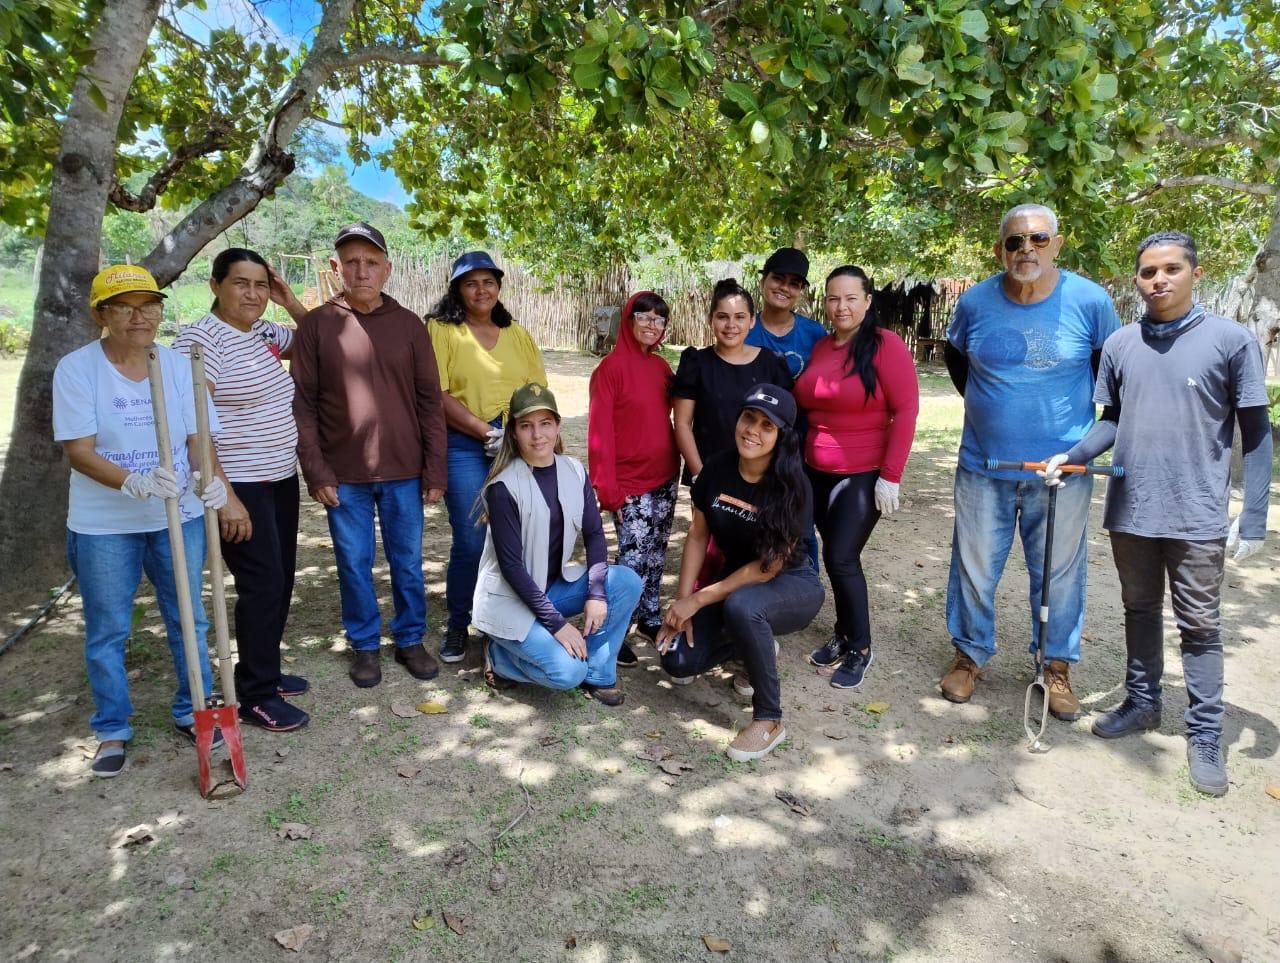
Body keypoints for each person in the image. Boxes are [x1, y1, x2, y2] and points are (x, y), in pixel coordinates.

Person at [1041, 231, 1273, 797]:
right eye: (1148, 272)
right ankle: (1143, 704)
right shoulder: (1121, 344)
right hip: (1132, 508)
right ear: (1138, 279)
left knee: (1200, 625)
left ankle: (1205, 734)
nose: (1159, 280)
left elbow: (1258, 435)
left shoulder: (1231, 340)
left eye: (1171, 269)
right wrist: (1071, 456)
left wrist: (1255, 518)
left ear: (1194, 272)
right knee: (1138, 609)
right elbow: (1112, 420)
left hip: (1196, 514)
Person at [940, 203, 1120, 719]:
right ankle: (969, 656)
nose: (1027, 250)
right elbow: (959, 363)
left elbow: (1111, 380)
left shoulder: (1090, 302)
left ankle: (1055, 667)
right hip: (984, 466)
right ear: (1000, 249)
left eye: (1038, 239)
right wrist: (991, 412)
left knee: (1059, 573)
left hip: (1062, 473)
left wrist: (1079, 450)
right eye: (1015, 241)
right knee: (974, 567)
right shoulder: (974, 302)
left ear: (1057, 244)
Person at [53, 264, 228, 777]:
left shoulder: (178, 366)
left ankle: (191, 708)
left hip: (179, 513)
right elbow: (79, 451)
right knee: (108, 628)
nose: (139, 317)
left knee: (188, 617)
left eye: (149, 305)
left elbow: (200, 439)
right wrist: (131, 481)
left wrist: (207, 479)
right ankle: (112, 727)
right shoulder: (78, 369)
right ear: (100, 315)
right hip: (104, 522)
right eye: (124, 307)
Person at [292, 222, 448, 689]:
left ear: (387, 268)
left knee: (407, 560)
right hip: (344, 475)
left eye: (371, 262)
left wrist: (434, 467)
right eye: (352, 262)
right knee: (354, 563)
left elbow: (429, 400)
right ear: (336, 268)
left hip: (404, 470)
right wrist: (316, 469)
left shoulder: (409, 325)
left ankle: (410, 638)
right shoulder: (319, 325)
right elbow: (303, 404)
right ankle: (363, 645)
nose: (362, 271)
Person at [174, 248, 310, 732]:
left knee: (282, 578)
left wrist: (288, 299)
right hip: (240, 485)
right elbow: (194, 428)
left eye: (260, 285)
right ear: (214, 285)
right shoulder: (198, 340)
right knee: (262, 583)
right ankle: (253, 695)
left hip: (279, 477)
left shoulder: (262, 330)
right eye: (240, 283)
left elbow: (315, 338)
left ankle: (263, 673)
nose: (252, 294)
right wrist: (224, 494)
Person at [658, 385, 824, 761]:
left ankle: (769, 719)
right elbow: (698, 537)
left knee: (744, 608)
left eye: (768, 425)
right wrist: (683, 602)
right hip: (735, 584)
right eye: (749, 417)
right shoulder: (717, 468)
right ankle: (755, 644)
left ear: (782, 435)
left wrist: (699, 599)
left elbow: (768, 569)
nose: (753, 430)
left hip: (791, 584)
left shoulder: (793, 486)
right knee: (677, 661)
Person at [474, 384, 643, 705]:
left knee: (625, 582)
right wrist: (558, 626)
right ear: (512, 433)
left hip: (550, 588)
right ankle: (499, 657)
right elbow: (511, 568)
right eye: (526, 426)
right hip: (510, 601)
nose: (537, 435)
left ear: (558, 426)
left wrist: (595, 593)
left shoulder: (573, 470)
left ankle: (597, 671)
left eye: (545, 424)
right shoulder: (503, 488)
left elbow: (594, 533)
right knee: (567, 672)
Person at [794, 266, 919, 689]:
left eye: (850, 298)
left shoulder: (886, 346)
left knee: (841, 557)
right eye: (833, 298)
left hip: (862, 473)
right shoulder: (822, 347)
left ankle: (860, 648)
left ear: (868, 301)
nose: (841, 306)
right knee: (832, 553)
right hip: (816, 472)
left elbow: (905, 411)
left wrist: (891, 476)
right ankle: (844, 633)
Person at [427, 251, 548, 665]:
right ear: (457, 289)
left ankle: (505, 622)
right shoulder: (442, 330)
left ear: (499, 287)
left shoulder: (516, 334)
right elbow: (435, 393)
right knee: (471, 538)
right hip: (464, 443)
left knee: (517, 536)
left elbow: (537, 394)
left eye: (489, 281)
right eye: (471, 282)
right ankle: (459, 623)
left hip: (515, 441)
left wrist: (522, 436)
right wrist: (485, 430)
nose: (481, 290)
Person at [587, 291, 680, 664]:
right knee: (631, 561)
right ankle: (615, 629)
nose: (651, 324)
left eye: (659, 319)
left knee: (656, 554)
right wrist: (609, 490)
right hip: (628, 486)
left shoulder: (661, 368)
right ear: (628, 320)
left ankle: (650, 616)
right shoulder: (609, 370)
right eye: (644, 316)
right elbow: (599, 434)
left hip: (664, 478)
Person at [673, 278, 793, 486]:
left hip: (760, 477)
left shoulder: (771, 363)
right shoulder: (696, 364)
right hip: (709, 474)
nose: (731, 325)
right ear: (711, 319)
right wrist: (700, 476)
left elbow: (785, 426)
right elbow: (682, 423)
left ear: (752, 321)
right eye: (722, 317)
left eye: (740, 317)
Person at [746, 247, 828, 380]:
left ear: (800, 291)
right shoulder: (743, 330)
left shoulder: (815, 333)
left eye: (794, 284)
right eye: (778, 279)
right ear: (763, 281)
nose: (784, 287)